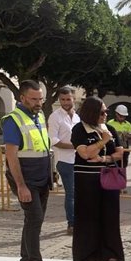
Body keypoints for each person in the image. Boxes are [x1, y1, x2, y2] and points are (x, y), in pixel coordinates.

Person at [2, 80, 56, 261]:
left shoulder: (39, 115)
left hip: (42, 177)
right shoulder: (12, 120)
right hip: (26, 179)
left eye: (40, 98)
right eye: (34, 99)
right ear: (22, 98)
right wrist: (21, 185)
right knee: (34, 219)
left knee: (35, 220)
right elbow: (11, 156)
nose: (39, 102)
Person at [70, 96, 125, 261]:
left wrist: (104, 157)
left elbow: (119, 152)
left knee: (110, 215)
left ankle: (110, 252)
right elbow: (85, 154)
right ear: (92, 112)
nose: (105, 115)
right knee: (88, 217)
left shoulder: (109, 129)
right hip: (87, 179)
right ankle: (87, 256)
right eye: (102, 112)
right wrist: (103, 141)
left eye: (106, 111)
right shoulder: (79, 129)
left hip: (108, 177)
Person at [47, 86, 80, 235]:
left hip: (80, 160)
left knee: (80, 193)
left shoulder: (78, 117)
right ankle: (71, 224)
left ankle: (80, 221)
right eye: (62, 99)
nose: (65, 102)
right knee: (71, 193)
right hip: (65, 161)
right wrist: (76, 146)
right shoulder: (55, 117)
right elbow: (53, 140)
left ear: (74, 99)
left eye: (68, 99)